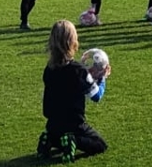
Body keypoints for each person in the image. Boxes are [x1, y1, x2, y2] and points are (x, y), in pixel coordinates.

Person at [40, 20, 107, 158]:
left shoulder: (49, 69)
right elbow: (96, 96)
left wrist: (90, 78)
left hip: (53, 124)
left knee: (59, 136)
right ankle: (74, 140)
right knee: (99, 144)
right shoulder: (78, 70)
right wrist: (102, 78)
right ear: (72, 42)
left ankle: (50, 139)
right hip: (74, 124)